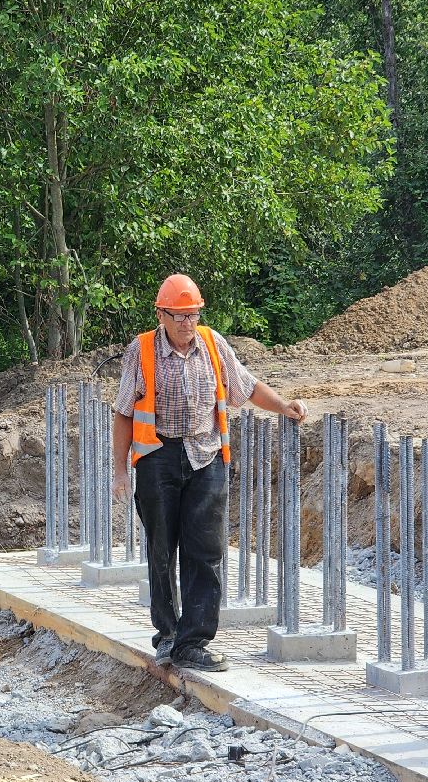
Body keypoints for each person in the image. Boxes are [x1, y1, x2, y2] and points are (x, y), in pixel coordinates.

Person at [110, 274, 306, 673]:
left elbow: (246, 388)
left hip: (206, 456)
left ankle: (194, 640)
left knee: (206, 549)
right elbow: (124, 412)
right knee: (162, 549)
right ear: (161, 314)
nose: (187, 323)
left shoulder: (213, 345)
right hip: (157, 457)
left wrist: (283, 405)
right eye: (179, 316)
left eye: (193, 314)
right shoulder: (142, 350)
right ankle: (167, 636)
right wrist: (119, 471)